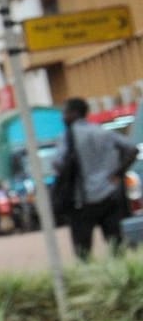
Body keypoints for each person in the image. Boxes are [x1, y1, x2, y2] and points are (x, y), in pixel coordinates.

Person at [56, 97, 137, 261]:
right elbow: (132, 150)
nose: (63, 117)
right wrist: (117, 174)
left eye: (65, 113)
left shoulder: (68, 136)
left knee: (83, 252)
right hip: (109, 195)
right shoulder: (102, 131)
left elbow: (58, 163)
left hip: (82, 201)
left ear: (74, 113)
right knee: (116, 247)